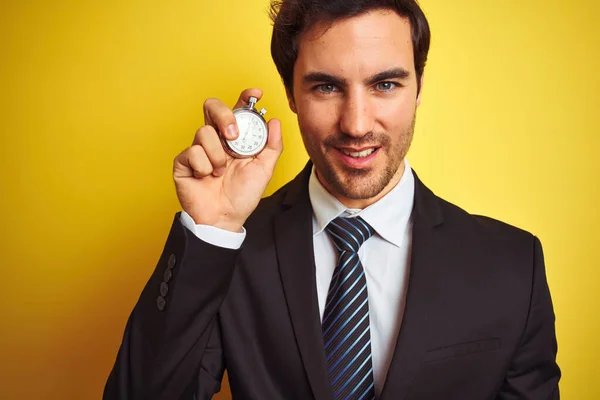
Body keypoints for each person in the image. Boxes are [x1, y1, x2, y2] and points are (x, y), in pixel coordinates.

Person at [103, 0, 561, 399]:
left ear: (419, 87)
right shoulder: (228, 252)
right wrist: (211, 231)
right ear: (291, 94)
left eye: (385, 84)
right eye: (326, 86)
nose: (357, 124)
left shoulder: (514, 266)